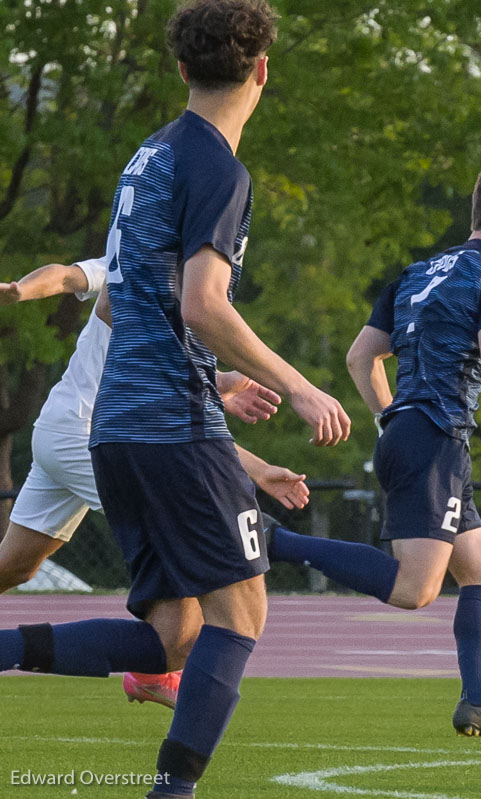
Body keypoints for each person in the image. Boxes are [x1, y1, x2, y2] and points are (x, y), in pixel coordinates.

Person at [0, 3, 350, 798]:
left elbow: (123, 303)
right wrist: (298, 384)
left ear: (182, 70)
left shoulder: (147, 156)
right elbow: (201, 304)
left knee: (172, 634)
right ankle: (174, 790)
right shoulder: (220, 168)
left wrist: (213, 373)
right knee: (240, 617)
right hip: (168, 426)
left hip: (116, 425)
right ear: (262, 71)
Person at [268, 157, 481, 737]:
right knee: (415, 589)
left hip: (413, 437)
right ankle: (275, 541)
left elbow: (361, 357)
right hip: (435, 442)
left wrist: (391, 418)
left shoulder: (415, 275)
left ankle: (479, 701)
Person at [0, 257, 311, 710]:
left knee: (15, 567)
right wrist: (20, 291)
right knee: (183, 582)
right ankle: (153, 670)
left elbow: (176, 413)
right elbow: (66, 275)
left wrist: (219, 385)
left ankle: (155, 668)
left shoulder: (187, 295)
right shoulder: (138, 262)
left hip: (69, 430)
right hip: (87, 435)